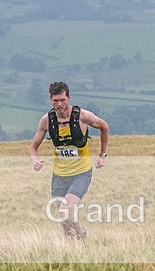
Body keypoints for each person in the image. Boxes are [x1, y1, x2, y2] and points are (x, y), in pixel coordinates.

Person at [29, 81, 109, 239]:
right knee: (63, 221)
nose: (59, 104)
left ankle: (81, 235)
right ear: (50, 100)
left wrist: (102, 155)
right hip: (59, 174)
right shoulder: (46, 121)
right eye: (55, 100)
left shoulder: (83, 116)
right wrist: (35, 160)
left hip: (81, 172)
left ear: (69, 98)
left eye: (62, 100)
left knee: (66, 209)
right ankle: (70, 249)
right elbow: (33, 147)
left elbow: (104, 127)